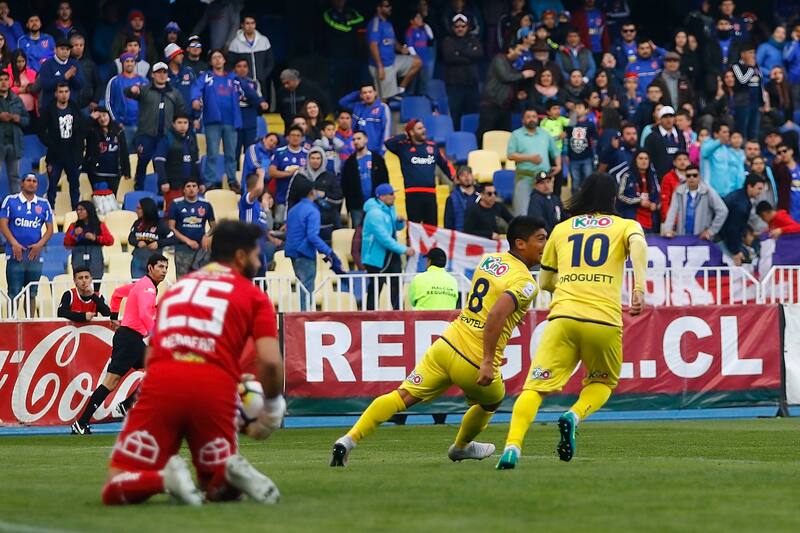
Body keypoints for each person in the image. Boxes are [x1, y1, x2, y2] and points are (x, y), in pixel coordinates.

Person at [333, 216, 546, 466]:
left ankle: (348, 439)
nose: (545, 244)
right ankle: (461, 447)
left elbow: (491, 302)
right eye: (540, 239)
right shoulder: (526, 282)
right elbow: (496, 315)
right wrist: (488, 361)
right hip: (475, 359)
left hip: (447, 343)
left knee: (402, 396)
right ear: (520, 243)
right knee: (492, 402)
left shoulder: (490, 259)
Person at [99, 221, 286, 506]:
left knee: (117, 483)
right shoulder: (254, 296)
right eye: (256, 255)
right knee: (215, 487)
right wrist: (271, 411)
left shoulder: (177, 290)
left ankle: (164, 480)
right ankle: (226, 474)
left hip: (162, 385)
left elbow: (152, 353)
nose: (260, 262)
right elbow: (271, 362)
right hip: (214, 390)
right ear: (240, 256)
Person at [496, 173, 647, 469]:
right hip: (603, 320)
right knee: (603, 382)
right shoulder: (626, 225)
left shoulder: (562, 229)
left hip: (563, 317)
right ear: (612, 198)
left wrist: (571, 285)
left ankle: (512, 447)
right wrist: (639, 288)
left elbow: (545, 281)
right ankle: (574, 415)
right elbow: (638, 246)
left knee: (534, 388)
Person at [71, 253, 169, 435]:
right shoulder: (147, 288)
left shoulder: (141, 284)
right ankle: (81, 422)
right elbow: (144, 315)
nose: (164, 271)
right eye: (160, 267)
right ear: (150, 268)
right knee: (111, 382)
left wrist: (114, 316)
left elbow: (117, 294)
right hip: (129, 340)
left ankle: (125, 405)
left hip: (130, 338)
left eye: (166, 268)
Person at [126, 61, 186, 190]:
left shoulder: (174, 93)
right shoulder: (145, 90)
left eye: (164, 72)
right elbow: (128, 93)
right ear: (153, 75)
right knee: (142, 162)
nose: (162, 75)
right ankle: (139, 188)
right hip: (146, 134)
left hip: (165, 135)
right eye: (159, 72)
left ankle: (160, 191)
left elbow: (181, 111)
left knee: (161, 163)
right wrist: (132, 89)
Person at [284, 178, 341, 311]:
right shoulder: (312, 211)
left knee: (302, 286)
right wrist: (328, 251)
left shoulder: (293, 210)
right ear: (311, 192)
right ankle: (305, 317)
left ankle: (303, 314)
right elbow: (312, 236)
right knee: (307, 288)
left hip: (293, 252)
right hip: (304, 253)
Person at [385, 119, 453, 226]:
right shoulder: (403, 147)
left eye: (423, 127)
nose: (424, 130)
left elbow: (445, 164)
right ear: (412, 132)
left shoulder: (432, 147)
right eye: (420, 128)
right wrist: (404, 135)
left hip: (430, 193)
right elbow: (388, 143)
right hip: (412, 194)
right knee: (413, 228)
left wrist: (454, 177)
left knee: (431, 229)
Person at [192, 50, 241, 190]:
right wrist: (195, 99)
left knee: (231, 154)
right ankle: (209, 182)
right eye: (214, 58)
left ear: (224, 60)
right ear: (210, 62)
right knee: (212, 154)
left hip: (231, 121)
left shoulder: (233, 77)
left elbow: (245, 89)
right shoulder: (206, 77)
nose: (218, 60)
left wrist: (259, 100)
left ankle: (232, 180)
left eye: (220, 57)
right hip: (213, 121)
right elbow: (196, 88)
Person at [0, 172, 53, 300]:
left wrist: (39, 245)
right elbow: (3, 224)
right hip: (15, 255)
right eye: (28, 180)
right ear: (21, 183)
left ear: (37, 185)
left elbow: (50, 229)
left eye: (34, 181)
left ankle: (31, 314)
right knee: (14, 293)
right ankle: (13, 314)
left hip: (34, 256)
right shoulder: (10, 200)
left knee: (32, 293)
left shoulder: (44, 204)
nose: (31, 183)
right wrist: (14, 243)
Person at [361, 183, 413, 310]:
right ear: (381, 196)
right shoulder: (374, 214)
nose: (394, 196)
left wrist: (399, 222)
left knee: (396, 284)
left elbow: (394, 229)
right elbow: (384, 238)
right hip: (376, 257)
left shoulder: (390, 208)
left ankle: (397, 313)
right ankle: (370, 314)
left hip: (390, 254)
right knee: (376, 286)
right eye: (391, 194)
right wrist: (404, 249)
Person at [39, 83, 85, 209]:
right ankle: (50, 211)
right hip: (55, 155)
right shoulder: (49, 110)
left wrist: (79, 152)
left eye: (66, 91)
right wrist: (50, 143)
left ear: (69, 93)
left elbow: (81, 131)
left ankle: (76, 211)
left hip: (72, 155)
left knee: (75, 186)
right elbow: (40, 130)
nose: (64, 94)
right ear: (56, 93)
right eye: (61, 92)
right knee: (52, 186)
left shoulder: (75, 109)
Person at [508, 108, 562, 216]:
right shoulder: (516, 135)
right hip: (525, 177)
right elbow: (510, 155)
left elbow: (555, 152)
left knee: (547, 212)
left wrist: (559, 165)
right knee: (522, 213)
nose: (531, 119)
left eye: (534, 117)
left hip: (544, 180)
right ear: (523, 120)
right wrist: (529, 158)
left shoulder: (545, 134)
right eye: (528, 117)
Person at [477, 43, 533, 141]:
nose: (520, 54)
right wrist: (523, 75)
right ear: (510, 50)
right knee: (486, 132)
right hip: (492, 103)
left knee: (504, 134)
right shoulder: (499, 59)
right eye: (519, 50)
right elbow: (505, 77)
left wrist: (516, 96)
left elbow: (510, 86)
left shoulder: (512, 65)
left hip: (505, 106)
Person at [287, 146, 343, 244]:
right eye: (312, 158)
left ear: (322, 159)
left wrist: (325, 195)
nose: (315, 161)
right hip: (303, 224)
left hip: (326, 224)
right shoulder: (299, 177)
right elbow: (291, 200)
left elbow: (338, 198)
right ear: (308, 159)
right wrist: (289, 220)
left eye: (318, 158)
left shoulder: (330, 176)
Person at [367, 0, 422, 100]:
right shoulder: (376, 23)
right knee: (385, 99)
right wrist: (380, 66)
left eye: (390, 6)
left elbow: (392, 40)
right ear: (379, 9)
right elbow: (373, 45)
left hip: (393, 60)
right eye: (386, 6)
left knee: (417, 62)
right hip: (383, 65)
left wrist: (401, 49)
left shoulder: (388, 23)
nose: (390, 8)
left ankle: (400, 89)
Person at [440, 13, 483, 129]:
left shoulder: (474, 39)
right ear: (453, 28)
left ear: (467, 27)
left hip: (471, 85)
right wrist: (469, 55)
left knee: (473, 115)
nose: (460, 29)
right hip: (454, 86)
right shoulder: (447, 41)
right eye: (457, 26)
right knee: (455, 115)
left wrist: (460, 52)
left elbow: (479, 54)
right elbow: (449, 57)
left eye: (463, 26)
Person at [168, 178, 216, 278]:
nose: (191, 189)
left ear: (198, 189)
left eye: (194, 186)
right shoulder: (176, 204)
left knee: (201, 279)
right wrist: (188, 241)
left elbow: (214, 227)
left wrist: (207, 236)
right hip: (182, 248)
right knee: (182, 279)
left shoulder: (206, 204)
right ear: (183, 189)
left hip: (201, 249)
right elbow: (171, 227)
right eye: (188, 186)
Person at [662, 165, 729, 237]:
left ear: (699, 176)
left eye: (695, 175)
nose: (691, 178)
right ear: (685, 177)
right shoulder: (679, 191)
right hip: (682, 237)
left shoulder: (708, 191)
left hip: (701, 238)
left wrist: (711, 231)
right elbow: (672, 212)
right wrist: (668, 229)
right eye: (688, 176)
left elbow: (723, 211)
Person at [341, 130, 389, 229]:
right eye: (354, 139)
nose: (356, 141)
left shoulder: (377, 159)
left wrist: (383, 201)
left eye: (359, 138)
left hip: (376, 204)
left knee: (377, 230)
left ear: (366, 139)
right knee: (358, 233)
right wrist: (350, 205)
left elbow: (385, 181)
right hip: (357, 206)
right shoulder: (349, 162)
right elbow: (345, 185)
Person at [154, 114, 200, 209]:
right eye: (179, 122)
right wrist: (163, 181)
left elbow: (196, 163)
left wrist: (201, 182)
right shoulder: (167, 139)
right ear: (173, 124)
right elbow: (159, 162)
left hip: (190, 186)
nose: (182, 125)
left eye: (185, 123)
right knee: (173, 213)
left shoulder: (191, 140)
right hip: (173, 186)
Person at [720, 174, 766, 265]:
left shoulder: (741, 198)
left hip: (728, 237)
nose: (760, 192)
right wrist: (736, 251)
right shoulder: (740, 205)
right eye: (759, 189)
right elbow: (733, 229)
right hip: (723, 238)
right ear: (749, 187)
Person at [64, 200, 115, 282]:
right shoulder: (73, 226)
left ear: (89, 210)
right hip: (78, 256)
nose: (78, 212)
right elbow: (66, 244)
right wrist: (74, 235)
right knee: (80, 282)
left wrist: (96, 238)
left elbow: (110, 241)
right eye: (77, 210)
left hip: (95, 256)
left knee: (96, 281)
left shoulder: (99, 225)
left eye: (82, 210)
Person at [105, 53, 148, 151]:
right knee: (125, 154)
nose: (130, 64)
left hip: (141, 126)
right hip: (123, 126)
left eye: (132, 61)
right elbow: (108, 103)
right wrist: (117, 121)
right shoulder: (115, 81)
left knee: (142, 154)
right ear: (122, 63)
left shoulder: (144, 81)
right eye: (127, 61)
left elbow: (150, 102)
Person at [227, 14, 274, 99]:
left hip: (261, 82)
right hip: (243, 84)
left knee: (263, 103)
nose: (250, 26)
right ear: (242, 25)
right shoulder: (235, 43)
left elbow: (270, 62)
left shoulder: (264, 40)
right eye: (247, 23)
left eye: (252, 23)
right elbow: (230, 65)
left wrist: (263, 75)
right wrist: (239, 78)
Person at [614, 149, 661, 233]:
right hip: (632, 217)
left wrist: (656, 204)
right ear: (635, 160)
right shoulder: (626, 176)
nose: (644, 161)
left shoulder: (653, 176)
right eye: (641, 158)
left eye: (646, 158)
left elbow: (659, 194)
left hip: (651, 219)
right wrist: (639, 201)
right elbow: (620, 196)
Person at [128, 197, 177, 278]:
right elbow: (130, 238)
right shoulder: (137, 223)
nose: (136, 210)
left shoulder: (160, 224)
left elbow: (173, 239)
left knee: (151, 285)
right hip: (138, 260)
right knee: (138, 284)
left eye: (139, 208)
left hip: (155, 263)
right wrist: (137, 243)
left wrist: (158, 243)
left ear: (146, 209)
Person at [269, 125, 308, 224]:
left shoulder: (307, 154)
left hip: (301, 199)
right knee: (280, 223)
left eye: (298, 136)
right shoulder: (279, 152)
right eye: (293, 135)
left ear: (302, 138)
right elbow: (272, 172)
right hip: (282, 197)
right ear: (288, 137)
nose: (295, 138)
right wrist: (289, 173)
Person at [338, 82, 391, 155]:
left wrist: (382, 150)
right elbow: (342, 102)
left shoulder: (383, 107)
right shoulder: (358, 106)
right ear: (361, 95)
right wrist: (357, 93)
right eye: (364, 93)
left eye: (370, 92)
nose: (368, 95)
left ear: (375, 93)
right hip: (357, 149)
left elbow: (386, 130)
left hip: (375, 151)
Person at [233, 57, 268, 164]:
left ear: (248, 68)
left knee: (250, 151)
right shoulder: (230, 82)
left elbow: (259, 99)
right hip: (235, 120)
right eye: (239, 66)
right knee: (234, 152)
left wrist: (257, 101)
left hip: (250, 119)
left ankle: (250, 173)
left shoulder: (254, 83)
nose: (242, 69)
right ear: (234, 69)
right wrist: (255, 100)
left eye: (245, 66)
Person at [35, 37, 83, 110]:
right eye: (62, 49)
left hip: (70, 108)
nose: (65, 52)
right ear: (55, 49)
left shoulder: (75, 64)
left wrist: (73, 76)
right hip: (50, 108)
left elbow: (80, 85)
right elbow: (46, 85)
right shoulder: (47, 64)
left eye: (67, 49)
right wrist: (64, 77)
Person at [0, 69, 27, 194]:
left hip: (14, 143)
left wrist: (18, 119)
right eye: (0, 80)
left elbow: (27, 120)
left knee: (15, 177)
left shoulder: (17, 100)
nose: (3, 82)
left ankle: (15, 203)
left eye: (6, 80)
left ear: (9, 82)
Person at [730, 42, 764, 141]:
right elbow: (742, 80)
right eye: (750, 53)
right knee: (743, 129)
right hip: (743, 102)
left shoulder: (756, 66)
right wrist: (751, 68)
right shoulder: (736, 66)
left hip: (756, 102)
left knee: (754, 130)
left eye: (754, 53)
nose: (753, 55)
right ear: (742, 54)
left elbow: (760, 84)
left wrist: (762, 102)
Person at [644, 105, 687, 179]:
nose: (668, 119)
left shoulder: (680, 136)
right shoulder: (651, 137)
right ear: (660, 119)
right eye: (665, 117)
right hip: (659, 176)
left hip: (679, 177)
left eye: (671, 116)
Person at [701, 121, 741, 197]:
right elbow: (704, 152)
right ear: (716, 134)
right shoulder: (707, 143)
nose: (728, 134)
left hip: (727, 192)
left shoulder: (725, 148)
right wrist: (719, 141)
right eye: (724, 132)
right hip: (710, 191)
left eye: (728, 132)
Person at [565, 100, 598, 193]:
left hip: (587, 158)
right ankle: (576, 200)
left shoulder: (590, 124)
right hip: (573, 158)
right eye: (575, 108)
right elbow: (566, 140)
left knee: (588, 181)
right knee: (575, 183)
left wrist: (594, 156)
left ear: (586, 110)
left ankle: (588, 200)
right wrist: (566, 154)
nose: (577, 110)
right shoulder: (570, 124)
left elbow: (595, 141)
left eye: (580, 107)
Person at [164, 44, 196, 121]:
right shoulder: (163, 74)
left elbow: (195, 94)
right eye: (179, 54)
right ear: (171, 57)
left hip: (189, 117)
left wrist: (196, 117)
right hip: (169, 118)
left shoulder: (189, 71)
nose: (182, 56)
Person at [70, 34, 100, 110]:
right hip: (69, 105)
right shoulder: (66, 63)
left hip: (87, 105)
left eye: (81, 45)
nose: (79, 47)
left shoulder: (90, 64)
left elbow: (98, 84)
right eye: (76, 45)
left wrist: (95, 100)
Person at [444, 165, 478, 232]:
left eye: (468, 174)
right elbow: (448, 225)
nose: (466, 177)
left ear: (472, 176)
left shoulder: (483, 195)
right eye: (462, 175)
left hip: (480, 235)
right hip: (460, 235)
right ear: (457, 180)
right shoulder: (452, 198)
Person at [659, 151, 690, 220]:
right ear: (674, 162)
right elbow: (664, 201)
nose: (682, 162)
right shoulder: (668, 178)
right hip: (673, 219)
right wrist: (670, 219)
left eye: (685, 159)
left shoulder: (694, 177)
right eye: (679, 159)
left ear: (689, 162)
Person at [772, 142, 798, 217]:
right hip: (789, 208)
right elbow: (775, 175)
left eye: (784, 151)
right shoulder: (780, 169)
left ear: (791, 151)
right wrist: (776, 164)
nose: (782, 154)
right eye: (779, 153)